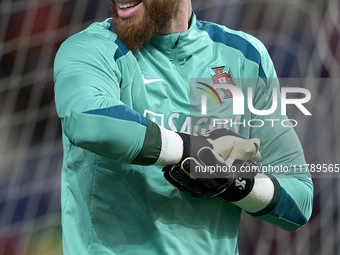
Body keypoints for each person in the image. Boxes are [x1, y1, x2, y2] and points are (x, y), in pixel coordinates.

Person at [53, 0, 313, 254]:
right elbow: (89, 122)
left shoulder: (245, 56)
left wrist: (235, 181)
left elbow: (299, 200)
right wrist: (190, 149)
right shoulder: (91, 48)